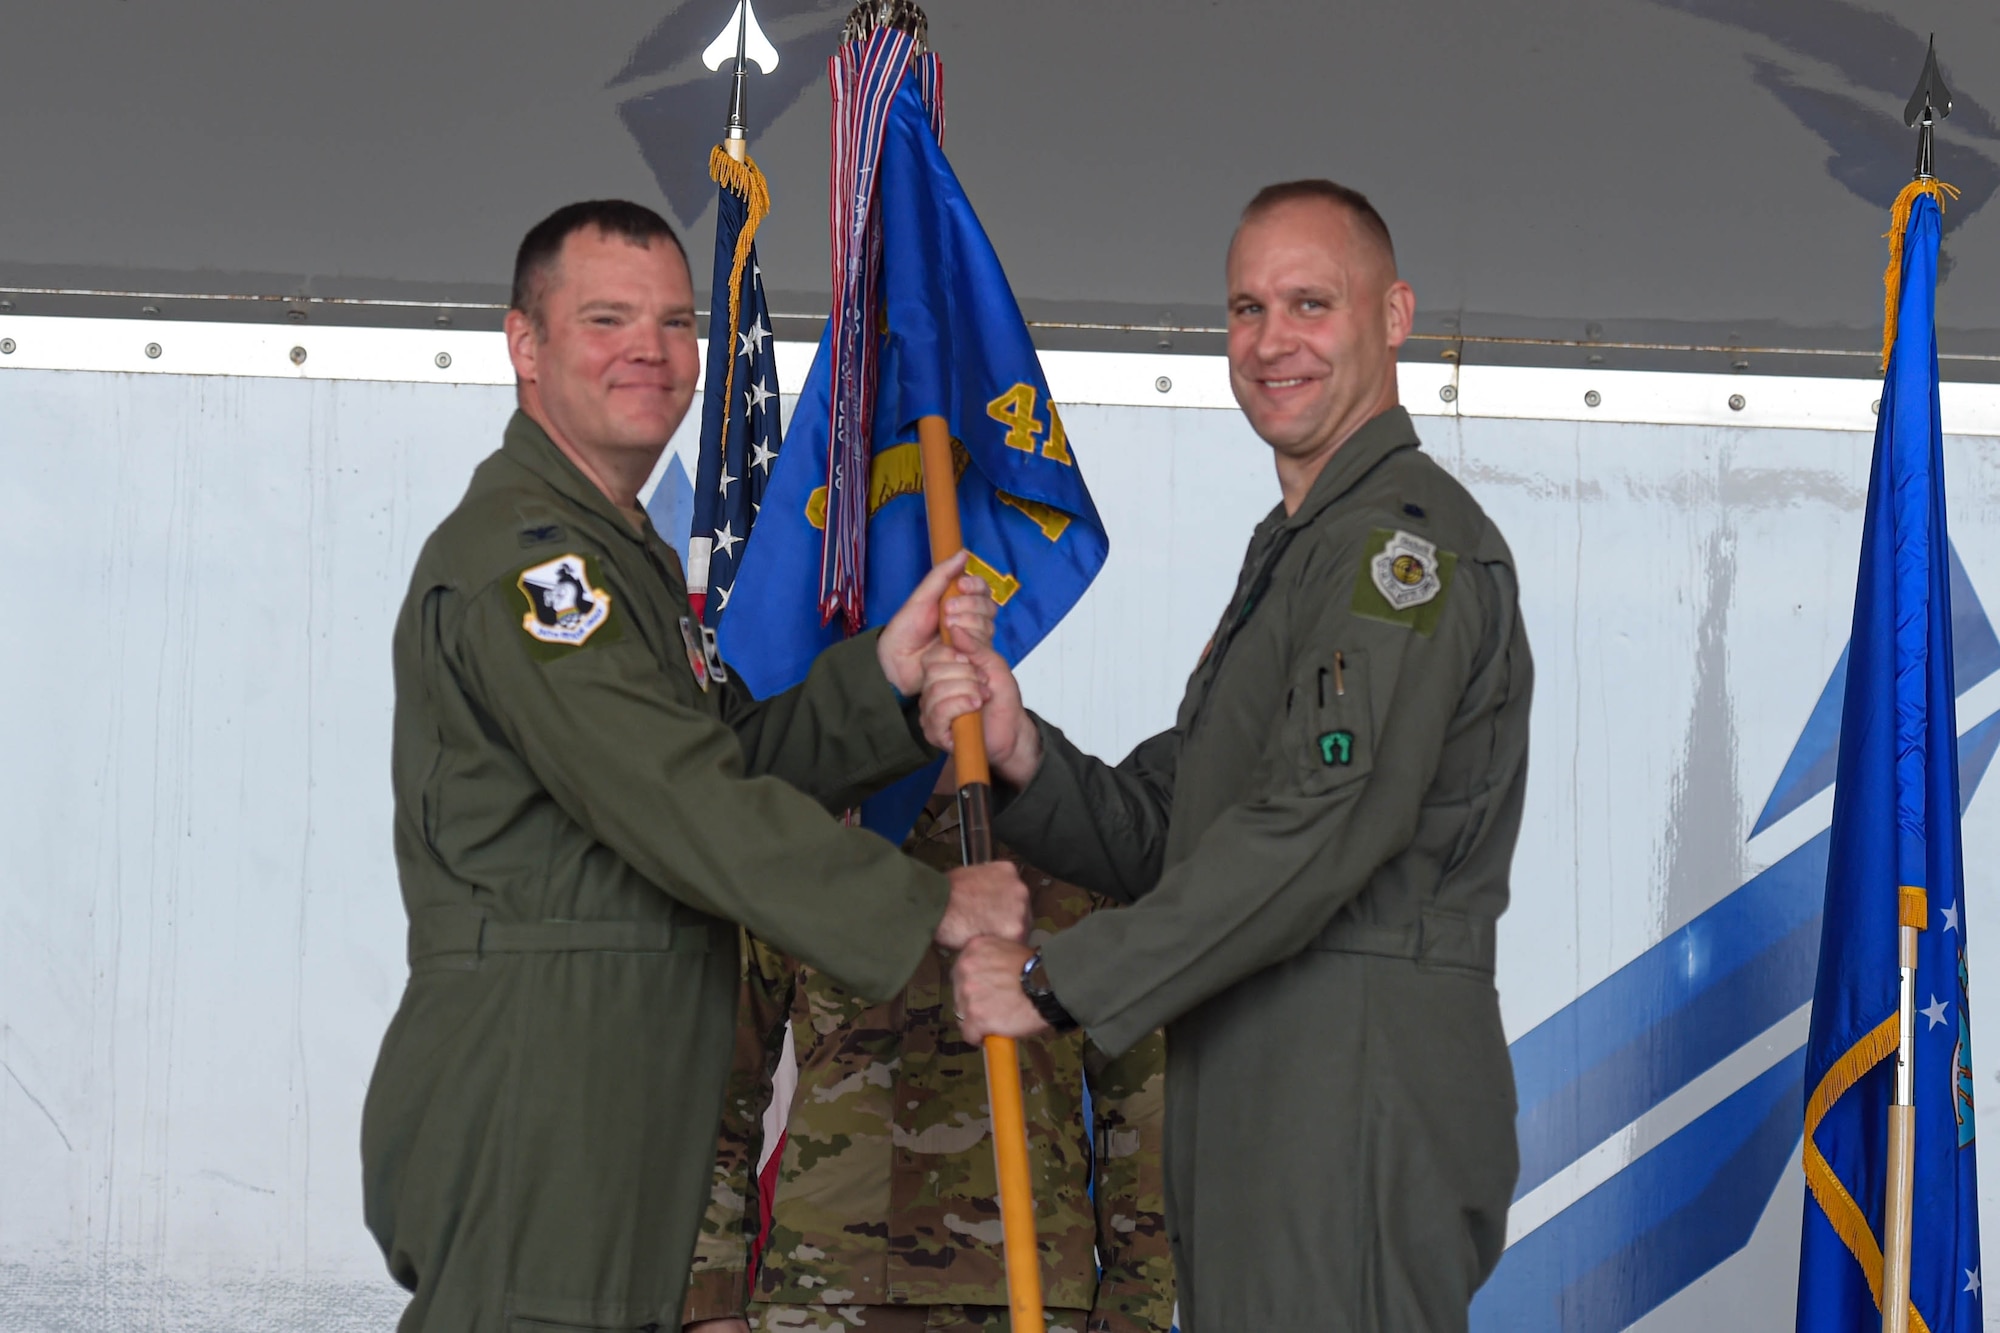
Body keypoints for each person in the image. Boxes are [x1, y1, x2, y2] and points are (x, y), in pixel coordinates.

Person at [360, 200, 1032, 1333]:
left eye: (676, 324)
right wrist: (928, 905)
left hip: (611, 1073)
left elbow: (717, 759)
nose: (652, 352)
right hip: (541, 1078)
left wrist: (886, 680)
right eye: (606, 319)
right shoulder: (531, 569)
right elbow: (674, 799)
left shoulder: (612, 546)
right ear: (523, 344)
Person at [944, 180, 1535, 1332]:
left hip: (1348, 1093)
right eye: (1245, 309)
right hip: (1269, 1090)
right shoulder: (1300, 551)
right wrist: (1022, 754)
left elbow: (1317, 828)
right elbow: (1183, 830)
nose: (1272, 343)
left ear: (1394, 314)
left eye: (1310, 303)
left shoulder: (1395, 550)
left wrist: (1054, 984)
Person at [680, 768, 1176, 1333]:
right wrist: (709, 1300)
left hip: (1030, 1300)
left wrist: (1136, 1311)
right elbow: (718, 1080)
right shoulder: (805, 839)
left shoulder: (1079, 837)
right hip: (820, 1296)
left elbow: (1145, 1104)